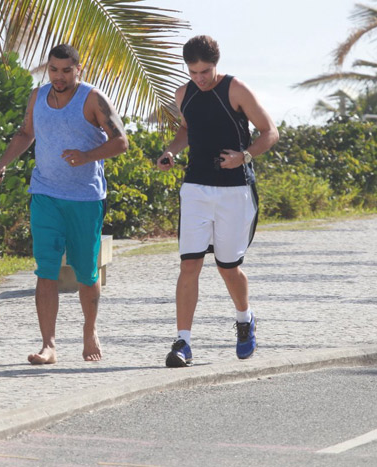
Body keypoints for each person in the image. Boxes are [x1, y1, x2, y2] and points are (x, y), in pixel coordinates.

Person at [0, 44, 128, 364]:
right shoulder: (37, 96)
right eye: (54, 69)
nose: (59, 76)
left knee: (86, 273)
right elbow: (26, 134)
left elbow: (121, 142)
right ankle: (48, 345)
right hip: (45, 194)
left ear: (79, 68)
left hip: (85, 198)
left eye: (67, 70)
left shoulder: (93, 98)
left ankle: (89, 331)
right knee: (46, 270)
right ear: (47, 69)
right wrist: (1, 165)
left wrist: (86, 157)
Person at [156, 35, 279, 367]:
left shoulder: (236, 89)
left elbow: (270, 131)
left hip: (235, 190)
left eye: (206, 71)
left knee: (228, 267)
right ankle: (183, 342)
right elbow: (186, 130)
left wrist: (245, 156)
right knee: (189, 264)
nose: (200, 78)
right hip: (195, 188)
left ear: (216, 64)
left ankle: (245, 319)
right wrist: (171, 151)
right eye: (194, 72)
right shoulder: (184, 94)